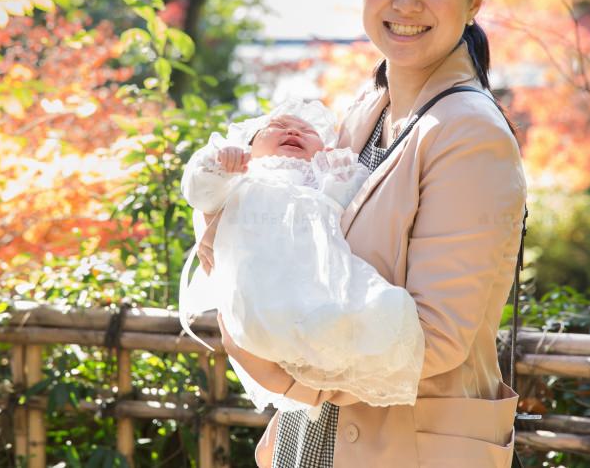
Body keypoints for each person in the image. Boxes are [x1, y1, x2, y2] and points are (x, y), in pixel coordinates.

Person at [194, 0, 527, 467]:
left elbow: (438, 338)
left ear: (476, 0)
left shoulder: (468, 133)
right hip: (315, 444)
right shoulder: (363, 112)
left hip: (413, 448)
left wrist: (280, 366)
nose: (406, 0)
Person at [178, 99, 424, 420]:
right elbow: (200, 193)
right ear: (249, 142)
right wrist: (218, 165)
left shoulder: (319, 178)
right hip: (257, 282)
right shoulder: (242, 177)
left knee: (373, 305)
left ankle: (337, 336)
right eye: (277, 126)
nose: (293, 130)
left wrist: (339, 180)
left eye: (307, 131)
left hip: (316, 276)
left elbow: (352, 212)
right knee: (263, 311)